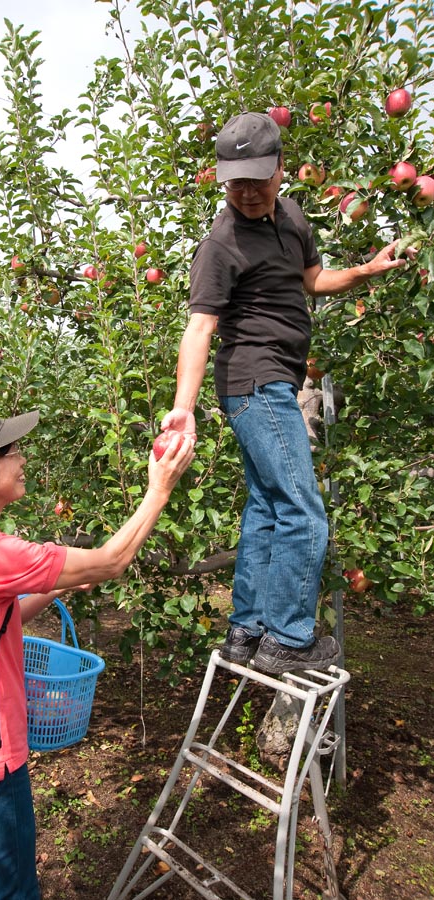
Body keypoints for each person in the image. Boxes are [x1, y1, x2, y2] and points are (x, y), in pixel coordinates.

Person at [161, 111, 416, 676]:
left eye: (257, 177)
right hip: (256, 383)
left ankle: (247, 632)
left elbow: (312, 281)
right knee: (305, 511)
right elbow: (199, 328)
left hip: (276, 380)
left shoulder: (294, 218)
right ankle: (290, 639)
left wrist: (365, 271)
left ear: (280, 168)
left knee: (269, 510)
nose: (247, 192)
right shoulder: (219, 244)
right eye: (235, 182)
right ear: (222, 178)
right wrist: (183, 408)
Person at [0, 409, 194, 900]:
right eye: (11, 453)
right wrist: (161, 488)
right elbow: (113, 560)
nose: (23, 459)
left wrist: (56, 589)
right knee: (14, 891)